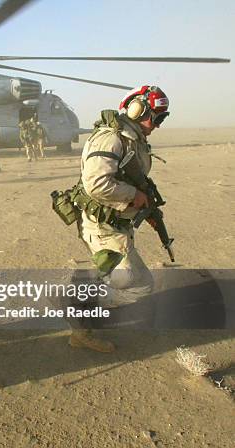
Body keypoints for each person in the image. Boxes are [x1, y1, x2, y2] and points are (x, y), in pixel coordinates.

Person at [68, 85, 170, 352]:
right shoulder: (112, 138)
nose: (157, 124)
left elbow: (129, 176)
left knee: (115, 275)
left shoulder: (132, 138)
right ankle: (79, 317)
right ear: (138, 109)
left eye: (162, 118)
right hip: (103, 225)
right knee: (139, 284)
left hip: (114, 224)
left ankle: (83, 303)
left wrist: (143, 208)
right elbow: (97, 184)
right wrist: (133, 195)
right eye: (156, 117)